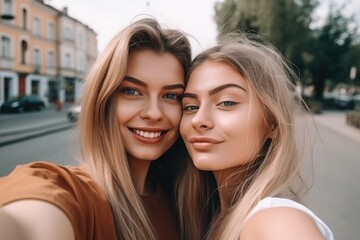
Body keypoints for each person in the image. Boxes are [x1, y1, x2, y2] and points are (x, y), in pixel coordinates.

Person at [0, 17, 193, 240]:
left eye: (171, 96)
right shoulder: (77, 194)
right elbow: (24, 223)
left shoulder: (183, 198)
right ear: (103, 100)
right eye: (132, 91)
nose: (154, 113)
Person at [178, 33, 334, 240]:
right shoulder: (210, 216)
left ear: (272, 123)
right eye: (190, 106)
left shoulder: (277, 221)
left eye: (226, 102)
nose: (198, 119)